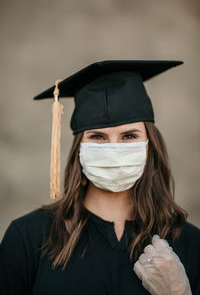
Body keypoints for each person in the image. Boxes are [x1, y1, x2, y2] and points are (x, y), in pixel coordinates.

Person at [0, 60, 199, 295]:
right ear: (80, 149)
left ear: (150, 146)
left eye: (128, 136)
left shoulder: (189, 243)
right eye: (98, 137)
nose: (114, 149)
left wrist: (178, 291)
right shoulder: (28, 237)